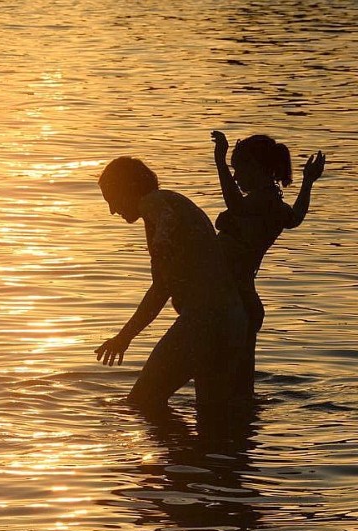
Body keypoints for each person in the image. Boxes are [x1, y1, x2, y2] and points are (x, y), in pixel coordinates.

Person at [94, 157, 248, 434]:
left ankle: (170, 469)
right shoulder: (171, 205)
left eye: (111, 199)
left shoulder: (153, 201)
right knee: (212, 417)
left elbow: (166, 215)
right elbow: (160, 291)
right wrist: (124, 337)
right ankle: (201, 469)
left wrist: (162, 236)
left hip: (203, 322)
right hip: (233, 321)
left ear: (127, 187)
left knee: (142, 402)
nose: (112, 210)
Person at [211, 131, 325, 396]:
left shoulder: (262, 201)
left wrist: (219, 160)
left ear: (258, 168)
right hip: (243, 302)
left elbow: (236, 206)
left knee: (228, 385)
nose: (236, 177)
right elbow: (296, 217)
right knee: (239, 387)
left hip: (237, 304)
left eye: (238, 169)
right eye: (232, 170)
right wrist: (308, 182)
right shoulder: (274, 203)